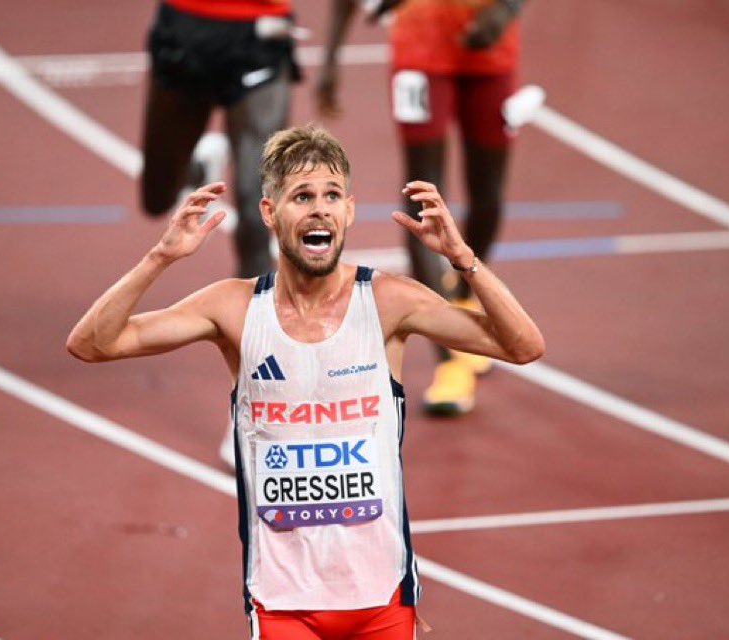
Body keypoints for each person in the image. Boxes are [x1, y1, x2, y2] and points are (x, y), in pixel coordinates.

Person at [67, 126, 544, 638]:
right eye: (302, 197)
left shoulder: (387, 302)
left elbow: (523, 346)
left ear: (349, 212)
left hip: (380, 597)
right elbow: (93, 343)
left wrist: (464, 260)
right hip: (282, 600)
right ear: (271, 213)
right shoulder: (233, 309)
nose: (319, 210)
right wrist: (159, 258)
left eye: (332, 196)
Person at [318, 0, 528, 416]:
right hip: (419, 52)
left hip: (488, 49)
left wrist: (505, 10)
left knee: (487, 193)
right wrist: (331, 58)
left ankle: (464, 295)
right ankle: (449, 359)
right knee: (421, 200)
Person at [140, 0, 302, 279]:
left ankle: (255, 317)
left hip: (261, 31)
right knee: (156, 196)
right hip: (185, 25)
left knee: (256, 209)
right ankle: (197, 169)